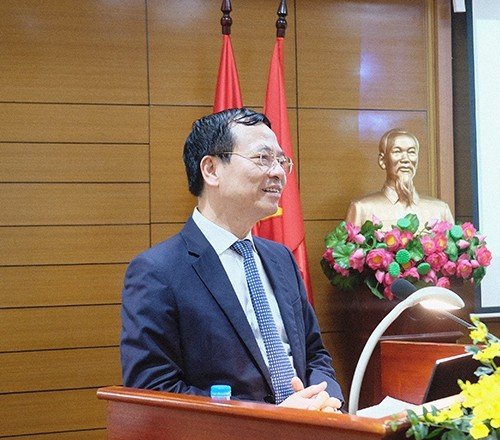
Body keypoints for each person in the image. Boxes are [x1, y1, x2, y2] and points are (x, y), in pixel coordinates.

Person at [120, 108, 342, 412]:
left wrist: (325, 398)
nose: (278, 173)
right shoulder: (157, 271)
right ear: (211, 169)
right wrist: (271, 418)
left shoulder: (281, 258)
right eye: (263, 158)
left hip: (313, 427)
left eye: (281, 161)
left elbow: (315, 354)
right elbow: (154, 390)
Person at [345, 128, 454, 230]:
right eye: (397, 152)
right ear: (382, 161)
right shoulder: (362, 209)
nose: (405, 159)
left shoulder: (440, 210)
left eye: (411, 152)